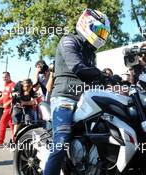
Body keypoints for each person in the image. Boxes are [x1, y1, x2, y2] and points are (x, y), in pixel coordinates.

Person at [44, 8, 110, 175]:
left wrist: (113, 79)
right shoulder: (69, 41)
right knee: (61, 141)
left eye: (104, 32)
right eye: (98, 30)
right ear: (86, 24)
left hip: (84, 98)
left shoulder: (91, 52)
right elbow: (78, 68)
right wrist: (100, 74)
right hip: (64, 97)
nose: (101, 35)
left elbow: (93, 75)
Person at [0, 72, 15, 148]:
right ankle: (16, 141)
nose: (4, 79)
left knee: (2, 123)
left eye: (5, 77)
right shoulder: (5, 85)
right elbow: (3, 96)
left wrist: (7, 103)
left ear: (9, 76)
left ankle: (0, 142)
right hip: (6, 108)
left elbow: (15, 97)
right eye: (3, 77)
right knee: (12, 126)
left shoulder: (13, 85)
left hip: (10, 108)